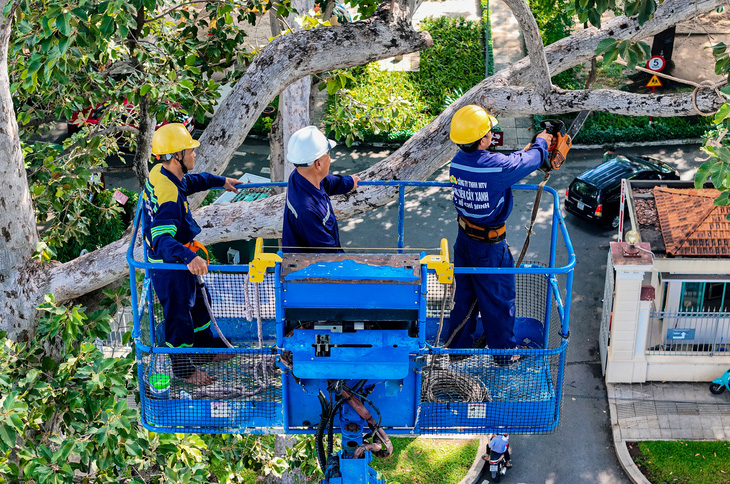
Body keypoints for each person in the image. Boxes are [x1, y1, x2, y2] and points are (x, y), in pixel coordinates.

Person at [444, 105, 553, 363]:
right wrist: (542, 141)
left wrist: (520, 153)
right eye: (490, 132)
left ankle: (457, 351)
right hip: (489, 247)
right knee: (499, 300)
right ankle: (504, 354)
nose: (493, 134)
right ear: (483, 139)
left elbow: (506, 163)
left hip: (465, 241)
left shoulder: (457, 162)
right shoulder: (496, 167)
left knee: (464, 298)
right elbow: (533, 161)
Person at [143, 123, 241, 385]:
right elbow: (161, 239)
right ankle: (185, 370)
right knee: (179, 317)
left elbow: (190, 181)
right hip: (169, 266)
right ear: (176, 156)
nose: (194, 154)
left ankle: (204, 347)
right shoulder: (169, 197)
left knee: (199, 302)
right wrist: (189, 257)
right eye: (190, 151)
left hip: (179, 260)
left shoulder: (161, 172)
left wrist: (220, 181)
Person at [282, 126, 360, 253]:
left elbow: (327, 182)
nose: (330, 159)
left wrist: (349, 182)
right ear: (318, 164)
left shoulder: (299, 176)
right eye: (328, 154)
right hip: (312, 269)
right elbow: (328, 254)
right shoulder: (306, 211)